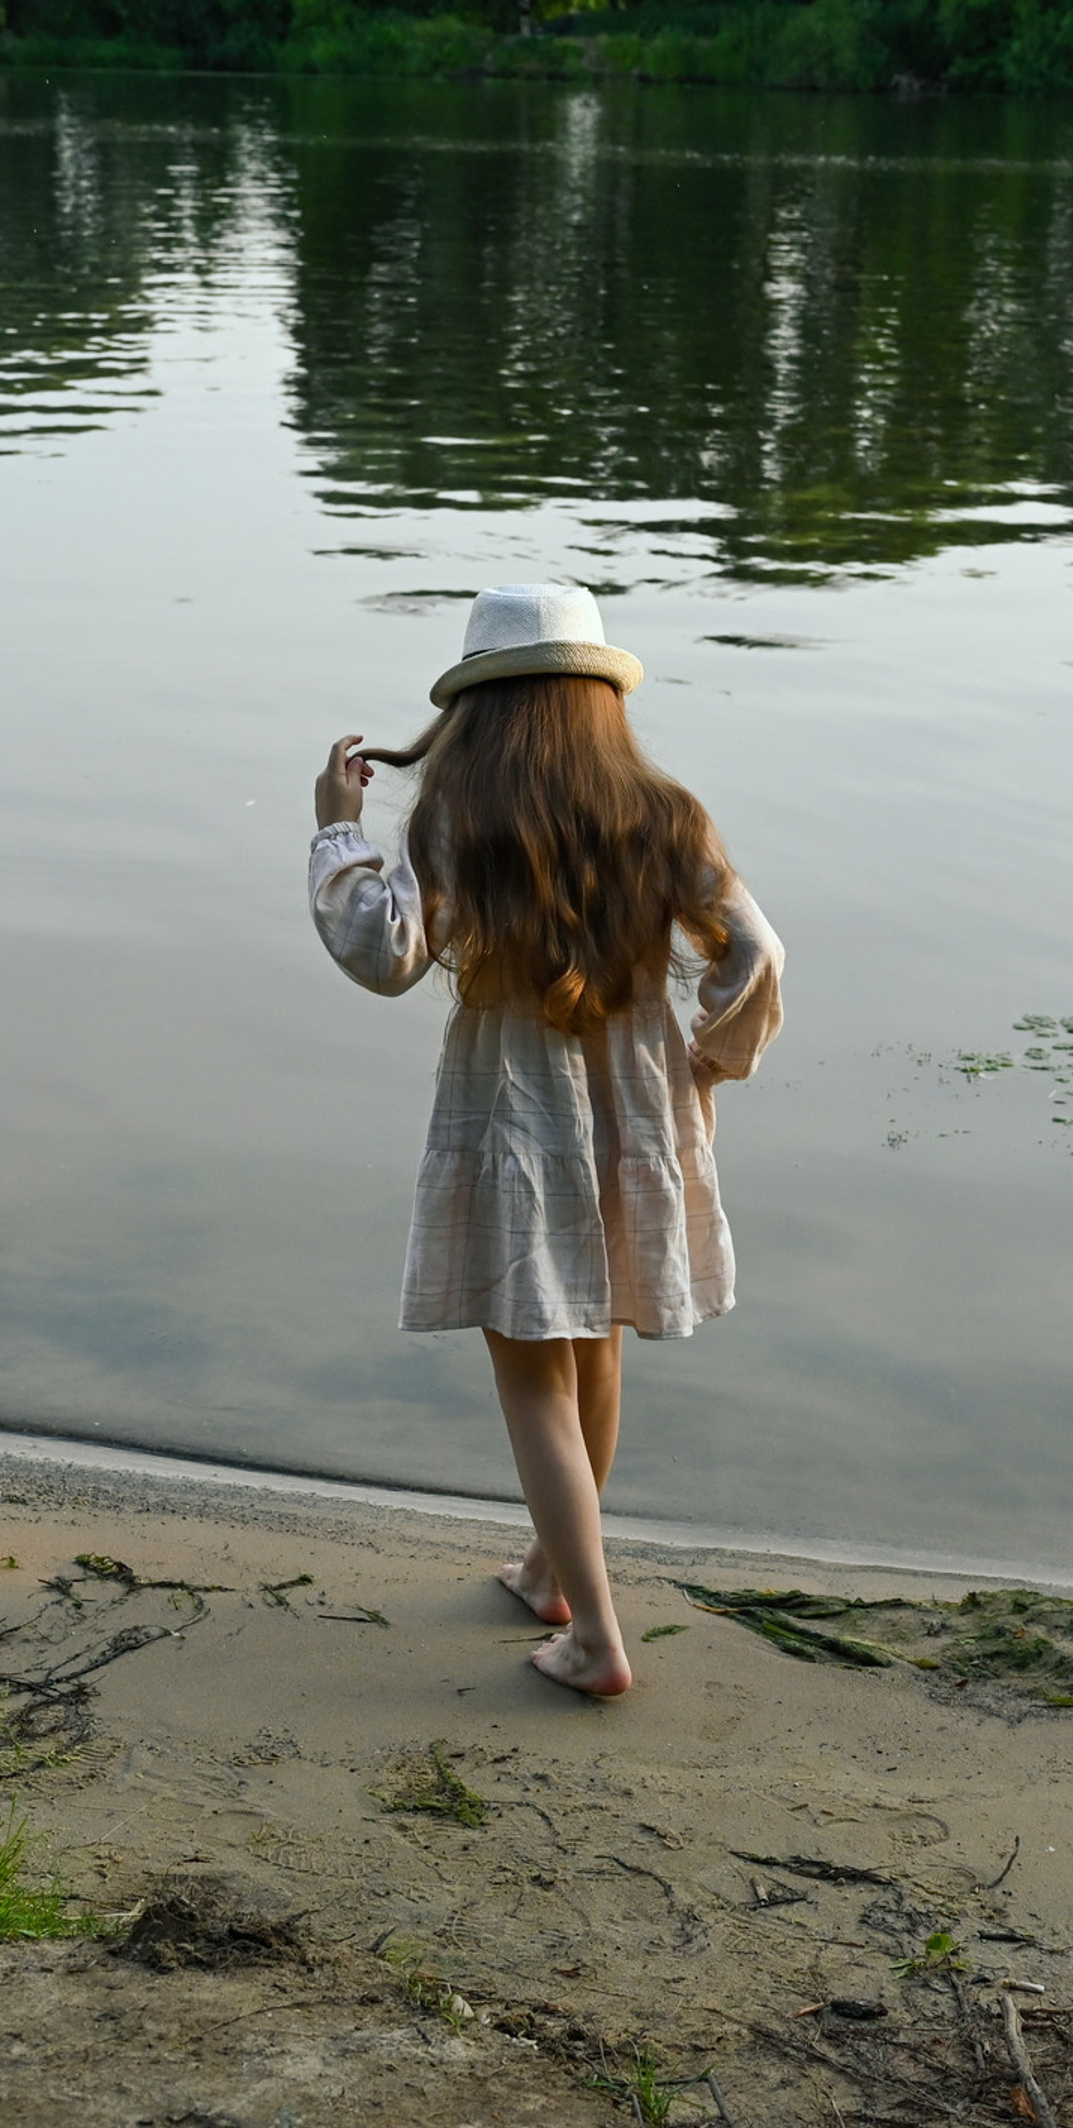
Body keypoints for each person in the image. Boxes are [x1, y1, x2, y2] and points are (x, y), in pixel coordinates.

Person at [307, 584, 784, 1696]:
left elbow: (384, 956)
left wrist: (337, 827)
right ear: (597, 700)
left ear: (482, 709)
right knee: (594, 1346)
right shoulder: (665, 814)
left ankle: (596, 1642)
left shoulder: (454, 824)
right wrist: (708, 1063)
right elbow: (756, 950)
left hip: (515, 1102)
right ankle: (549, 1574)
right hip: (636, 1102)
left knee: (532, 1377)